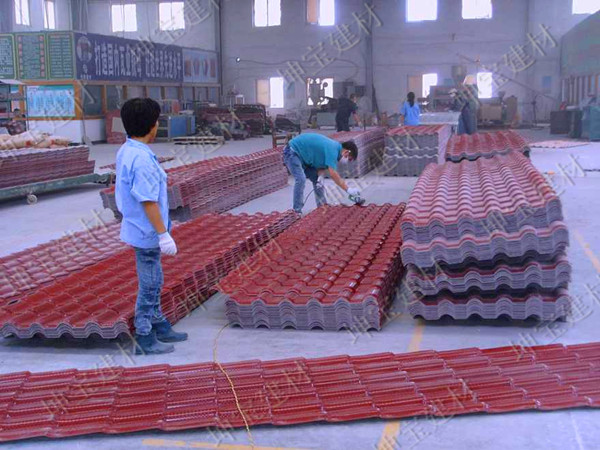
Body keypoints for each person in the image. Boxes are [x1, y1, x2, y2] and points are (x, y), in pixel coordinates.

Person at [115, 98, 188, 355]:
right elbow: (148, 201)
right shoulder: (141, 159)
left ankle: (159, 324)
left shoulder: (130, 149)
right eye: (156, 120)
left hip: (140, 228)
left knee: (155, 279)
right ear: (151, 125)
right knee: (150, 283)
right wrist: (163, 234)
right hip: (146, 231)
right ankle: (144, 336)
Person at [283, 133, 361, 213]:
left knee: (317, 181)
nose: (346, 161)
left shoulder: (336, 152)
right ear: (347, 152)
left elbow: (321, 166)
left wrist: (320, 176)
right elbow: (333, 174)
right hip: (292, 152)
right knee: (301, 179)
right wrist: (348, 189)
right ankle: (296, 211)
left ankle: (321, 206)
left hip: (304, 158)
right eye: (348, 158)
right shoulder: (333, 149)